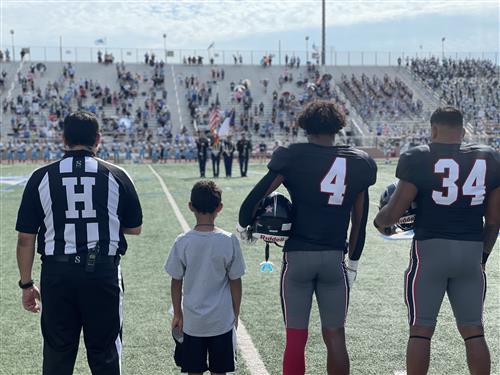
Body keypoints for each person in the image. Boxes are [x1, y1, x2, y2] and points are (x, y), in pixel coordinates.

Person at [238, 101, 377, 375]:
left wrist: (251, 223)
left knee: (296, 338)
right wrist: (354, 263)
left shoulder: (293, 155)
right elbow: (359, 222)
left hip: (298, 256)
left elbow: (252, 202)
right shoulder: (359, 161)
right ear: (338, 126)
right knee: (336, 335)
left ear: (305, 126)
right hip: (335, 259)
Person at [15, 111, 143, 375]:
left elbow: (26, 238)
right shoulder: (116, 174)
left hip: (57, 273)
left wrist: (27, 284)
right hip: (102, 272)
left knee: (57, 355)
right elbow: (135, 227)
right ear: (98, 139)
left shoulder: (41, 177)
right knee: (105, 354)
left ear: (63, 138)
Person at [374, 107, 500, 375]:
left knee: (421, 331)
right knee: (474, 331)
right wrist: (483, 257)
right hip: (470, 252)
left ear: (432, 130)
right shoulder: (488, 157)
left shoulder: (417, 157)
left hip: (430, 252)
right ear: (463, 130)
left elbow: (392, 215)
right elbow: (493, 221)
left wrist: (379, 220)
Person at [165, 180, 245, 374]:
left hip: (192, 322)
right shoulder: (229, 240)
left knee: (193, 370)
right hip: (221, 320)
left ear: (190, 206)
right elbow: (236, 281)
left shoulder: (182, 242)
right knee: (220, 371)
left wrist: (177, 313)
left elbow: (176, 282)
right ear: (220, 207)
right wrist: (236, 312)